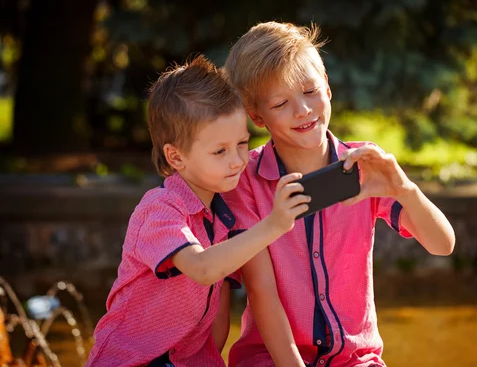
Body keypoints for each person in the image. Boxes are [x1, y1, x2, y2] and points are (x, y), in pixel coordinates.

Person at [223, 22, 456, 367]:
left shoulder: (365, 163)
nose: (302, 110)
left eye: (310, 91)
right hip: (271, 358)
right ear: (257, 116)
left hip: (356, 360)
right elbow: (261, 292)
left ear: (328, 89)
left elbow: (443, 244)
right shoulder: (247, 183)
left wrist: (405, 190)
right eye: (281, 103)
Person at [86, 55, 310, 367]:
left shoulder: (223, 216)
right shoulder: (159, 211)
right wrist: (273, 225)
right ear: (176, 157)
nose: (236, 161)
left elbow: (218, 314)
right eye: (220, 151)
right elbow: (203, 269)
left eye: (242, 144)